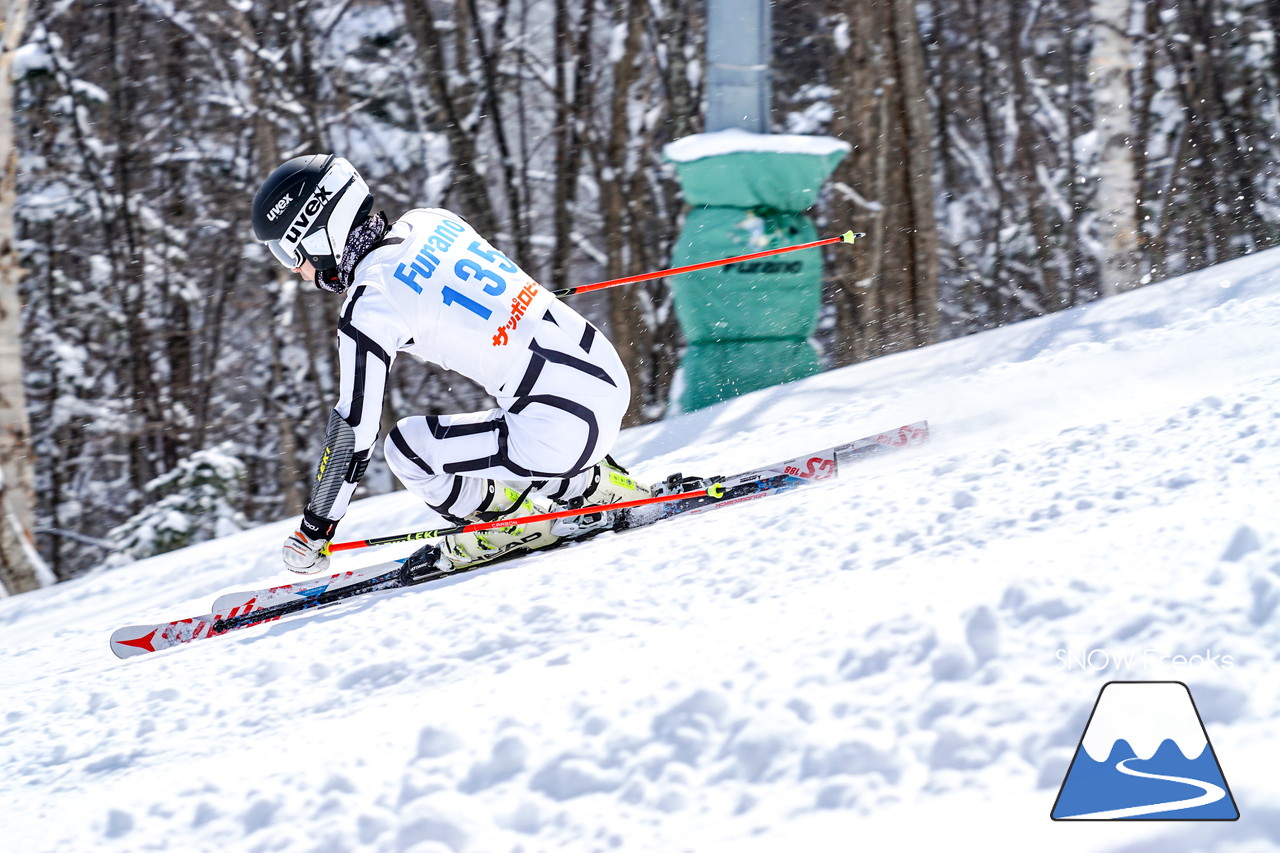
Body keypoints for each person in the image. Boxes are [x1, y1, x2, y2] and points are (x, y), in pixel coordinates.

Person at [251, 154, 649, 574]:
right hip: (605, 373)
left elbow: (354, 429)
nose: (296, 270)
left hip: (563, 427)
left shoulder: (369, 304)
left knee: (406, 450)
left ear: (317, 233)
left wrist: (316, 528)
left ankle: (508, 525)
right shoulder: (430, 220)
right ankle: (593, 487)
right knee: (512, 425)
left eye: (288, 253)